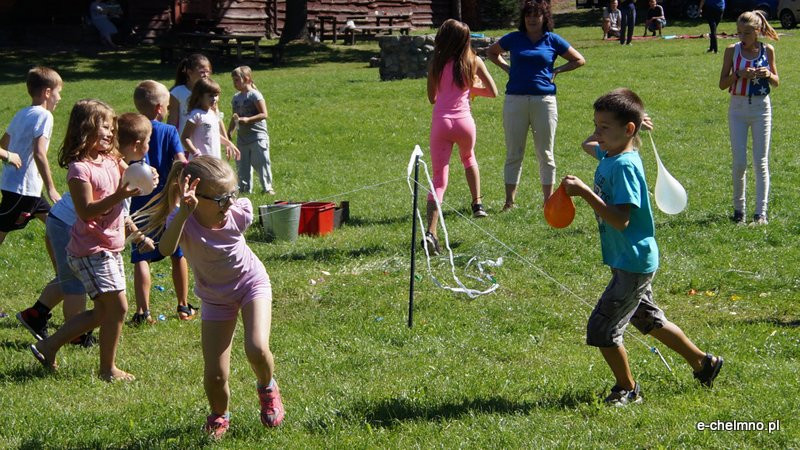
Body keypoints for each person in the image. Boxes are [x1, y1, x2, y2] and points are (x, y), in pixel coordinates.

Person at [561, 88, 723, 405]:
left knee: (603, 327)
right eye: (596, 125)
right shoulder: (610, 154)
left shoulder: (624, 166)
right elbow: (587, 144)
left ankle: (627, 389)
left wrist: (584, 192)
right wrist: (616, 130)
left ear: (628, 130)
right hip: (631, 258)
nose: (597, 134)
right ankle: (704, 362)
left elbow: (621, 219)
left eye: (604, 127)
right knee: (648, 319)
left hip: (632, 262)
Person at [133, 156, 285, 439]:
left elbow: (231, 219)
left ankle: (267, 388)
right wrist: (182, 214)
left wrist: (226, 202)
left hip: (251, 284)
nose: (229, 204)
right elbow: (166, 249)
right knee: (215, 374)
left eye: (232, 194)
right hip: (216, 298)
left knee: (256, 348)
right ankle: (219, 416)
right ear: (195, 196)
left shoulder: (238, 213)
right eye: (221, 199)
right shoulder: (183, 221)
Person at [30, 99, 145, 381]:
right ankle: (107, 369)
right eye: (104, 127)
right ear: (86, 129)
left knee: (103, 311)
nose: (110, 132)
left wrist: (146, 175)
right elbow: (85, 211)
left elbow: (132, 175)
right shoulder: (79, 169)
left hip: (111, 246)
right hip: (90, 248)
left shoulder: (111, 159)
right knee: (118, 307)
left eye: (112, 127)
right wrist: (119, 196)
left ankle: (48, 346)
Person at [486, 0, 584, 211]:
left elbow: (578, 59)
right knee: (514, 152)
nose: (531, 19)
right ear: (523, 18)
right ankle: (509, 202)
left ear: (544, 18)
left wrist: (557, 71)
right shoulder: (514, 38)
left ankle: (548, 201)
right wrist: (507, 68)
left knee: (545, 153)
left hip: (544, 101)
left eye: (536, 15)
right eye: (528, 15)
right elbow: (491, 52)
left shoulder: (552, 40)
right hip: (515, 100)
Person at [422, 19, 498, 255]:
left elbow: (432, 98)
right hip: (465, 123)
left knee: (439, 180)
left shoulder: (436, 63)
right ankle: (477, 204)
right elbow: (493, 92)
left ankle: (431, 232)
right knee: (469, 158)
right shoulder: (474, 61)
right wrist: (469, 88)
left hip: (441, 124)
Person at [130, 80, 195, 323]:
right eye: (167, 106)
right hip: (167, 202)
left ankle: (143, 312)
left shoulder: (131, 131)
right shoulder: (169, 131)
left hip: (138, 204)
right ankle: (183, 306)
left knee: (141, 256)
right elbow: (180, 161)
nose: (168, 110)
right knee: (178, 253)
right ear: (159, 108)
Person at [718, 11, 779, 225]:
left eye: (747, 33)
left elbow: (776, 81)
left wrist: (767, 74)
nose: (742, 37)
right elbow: (722, 83)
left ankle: (760, 213)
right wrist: (738, 74)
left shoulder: (767, 50)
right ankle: (739, 210)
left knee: (761, 162)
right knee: (739, 162)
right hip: (738, 108)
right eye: (739, 32)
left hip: (762, 108)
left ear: (757, 31)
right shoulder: (731, 51)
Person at [0, 67, 62, 256]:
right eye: (58, 92)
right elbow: (39, 153)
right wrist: (51, 188)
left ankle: (63, 269)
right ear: (47, 92)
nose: (59, 98)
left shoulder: (22, 113)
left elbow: (3, 144)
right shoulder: (45, 115)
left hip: (27, 189)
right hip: (22, 190)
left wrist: (9, 157)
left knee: (57, 225)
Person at [228, 66, 274, 195]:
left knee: (261, 162)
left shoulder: (255, 95)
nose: (234, 83)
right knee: (242, 165)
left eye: (237, 80)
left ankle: (267, 188)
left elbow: (264, 114)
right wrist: (229, 132)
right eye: (233, 80)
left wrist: (248, 120)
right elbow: (234, 117)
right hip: (242, 138)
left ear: (247, 79)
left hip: (257, 136)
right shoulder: (236, 98)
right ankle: (244, 189)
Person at [181, 78, 239, 160]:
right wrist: (196, 154)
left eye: (216, 95)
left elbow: (213, 135)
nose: (214, 99)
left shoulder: (213, 114)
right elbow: (185, 138)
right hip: (201, 162)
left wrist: (229, 144)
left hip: (214, 159)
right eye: (210, 96)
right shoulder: (196, 114)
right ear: (200, 96)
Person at [168, 53, 212, 137]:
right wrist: (169, 139)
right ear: (189, 72)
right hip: (185, 141)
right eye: (202, 72)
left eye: (208, 72)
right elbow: (172, 119)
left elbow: (216, 116)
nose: (206, 75)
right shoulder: (178, 92)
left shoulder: (210, 92)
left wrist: (226, 138)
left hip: (206, 141)